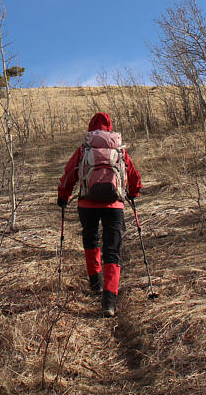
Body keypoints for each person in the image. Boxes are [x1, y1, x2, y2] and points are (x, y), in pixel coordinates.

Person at [57, 112, 142, 317]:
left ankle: (95, 281)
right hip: (114, 205)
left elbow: (70, 173)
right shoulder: (120, 149)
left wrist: (63, 195)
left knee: (91, 239)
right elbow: (133, 175)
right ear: (110, 127)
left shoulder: (85, 149)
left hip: (87, 203)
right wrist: (133, 192)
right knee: (112, 249)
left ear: (91, 128)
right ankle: (109, 300)